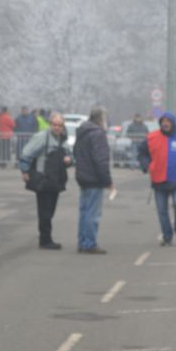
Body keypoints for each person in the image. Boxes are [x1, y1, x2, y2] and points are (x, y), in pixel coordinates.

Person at [138, 111, 176, 246]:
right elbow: (142, 153)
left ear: (173, 123)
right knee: (162, 211)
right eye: (163, 121)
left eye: (168, 121)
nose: (165, 124)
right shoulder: (152, 137)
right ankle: (167, 236)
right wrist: (146, 165)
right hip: (159, 180)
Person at [19, 112, 71, 249]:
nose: (57, 127)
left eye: (60, 125)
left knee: (51, 210)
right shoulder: (41, 137)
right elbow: (26, 154)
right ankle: (45, 240)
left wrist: (69, 160)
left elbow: (69, 157)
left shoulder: (63, 140)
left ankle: (46, 238)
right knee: (45, 212)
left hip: (56, 180)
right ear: (50, 124)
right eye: (54, 124)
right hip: (43, 179)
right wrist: (25, 171)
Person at [73, 107, 113, 254]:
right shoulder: (98, 134)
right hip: (94, 178)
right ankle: (90, 243)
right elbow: (101, 160)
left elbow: (75, 152)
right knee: (93, 214)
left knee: (84, 212)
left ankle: (82, 242)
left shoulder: (83, 132)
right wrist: (107, 180)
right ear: (100, 119)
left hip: (83, 176)